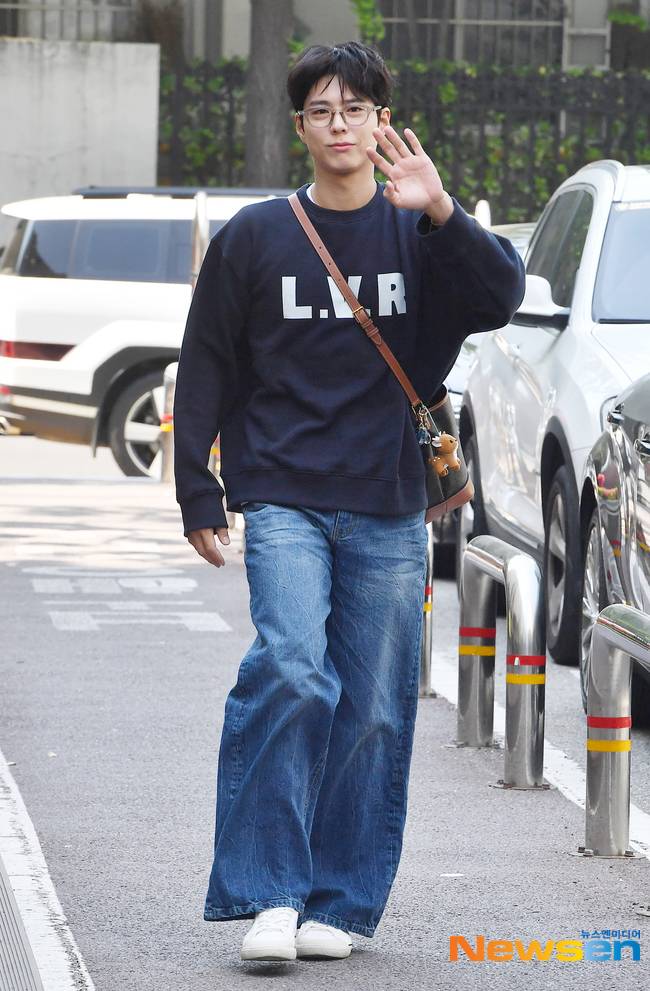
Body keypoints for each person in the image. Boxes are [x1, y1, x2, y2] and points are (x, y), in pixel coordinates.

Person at [173, 41, 525, 963]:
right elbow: (206, 359)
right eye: (322, 111)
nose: (340, 125)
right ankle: (269, 893)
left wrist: (443, 209)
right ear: (300, 126)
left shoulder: (419, 230)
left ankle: (341, 899)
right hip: (282, 489)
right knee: (292, 668)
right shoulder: (256, 235)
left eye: (356, 109)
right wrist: (195, 485)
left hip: (387, 495)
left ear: (381, 122)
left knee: (372, 703)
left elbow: (502, 296)